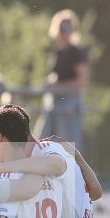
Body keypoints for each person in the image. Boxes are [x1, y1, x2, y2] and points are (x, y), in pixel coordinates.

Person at [43, 9, 89, 146]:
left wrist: (59, 86)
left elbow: (82, 80)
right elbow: (58, 75)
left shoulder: (77, 53)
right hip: (54, 103)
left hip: (69, 105)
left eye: (68, 28)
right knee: (46, 142)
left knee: (68, 146)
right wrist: (51, 81)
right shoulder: (57, 52)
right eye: (62, 27)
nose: (65, 32)